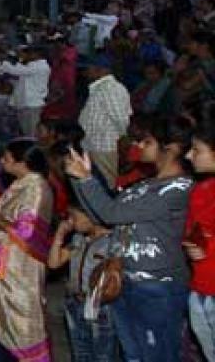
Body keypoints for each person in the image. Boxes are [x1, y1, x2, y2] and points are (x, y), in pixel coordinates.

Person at [65, 116, 193, 362]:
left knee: (158, 355)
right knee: (133, 355)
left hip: (157, 286)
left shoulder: (178, 188)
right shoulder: (144, 185)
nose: (139, 146)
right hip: (125, 281)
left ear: (172, 148)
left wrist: (86, 180)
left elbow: (112, 212)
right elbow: (102, 218)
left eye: (146, 141)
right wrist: (79, 178)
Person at [0, 140, 54, 362]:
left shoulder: (37, 188)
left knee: (20, 316)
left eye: (7, 159)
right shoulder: (21, 183)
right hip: (3, 262)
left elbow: (27, 233)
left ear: (23, 163)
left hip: (20, 267)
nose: (2, 162)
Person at [48, 204, 116, 362]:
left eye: (75, 217)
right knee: (80, 353)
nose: (71, 221)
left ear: (91, 216)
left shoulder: (111, 242)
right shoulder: (78, 239)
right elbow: (53, 263)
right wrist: (59, 235)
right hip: (74, 302)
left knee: (103, 354)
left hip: (99, 306)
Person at [77, 54, 132, 190]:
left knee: (108, 184)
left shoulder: (111, 88)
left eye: (88, 69)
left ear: (100, 70)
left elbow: (121, 118)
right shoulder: (101, 87)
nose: (84, 73)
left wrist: (124, 139)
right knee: (98, 185)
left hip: (105, 145)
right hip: (95, 144)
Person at [184, 125, 215, 361]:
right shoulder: (201, 191)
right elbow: (193, 234)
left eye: (196, 150)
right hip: (200, 289)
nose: (188, 155)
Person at [0, 46, 52, 137]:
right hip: (24, 104)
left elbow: (15, 70)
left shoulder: (41, 66)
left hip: (33, 104)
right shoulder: (29, 66)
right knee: (25, 132)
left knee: (32, 133)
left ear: (38, 54)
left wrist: (6, 62)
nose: (29, 55)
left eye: (31, 53)